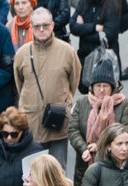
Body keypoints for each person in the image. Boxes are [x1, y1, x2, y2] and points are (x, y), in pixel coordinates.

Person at [12, 8, 80, 164]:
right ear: (31, 27)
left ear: (53, 25)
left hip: (58, 122)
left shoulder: (67, 51)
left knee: (57, 172)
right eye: (37, 26)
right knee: (32, 172)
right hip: (31, 123)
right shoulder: (22, 54)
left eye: (45, 25)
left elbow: (73, 83)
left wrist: (63, 102)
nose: (41, 29)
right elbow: (20, 84)